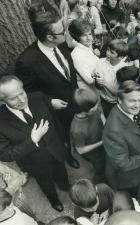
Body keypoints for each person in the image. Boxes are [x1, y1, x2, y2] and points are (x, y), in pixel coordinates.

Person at [15, 10, 80, 169]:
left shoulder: (62, 42)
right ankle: (67, 155)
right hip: (56, 111)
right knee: (62, 135)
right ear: (50, 37)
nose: (66, 33)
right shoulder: (27, 62)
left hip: (74, 100)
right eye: (62, 31)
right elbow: (28, 93)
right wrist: (49, 102)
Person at [0, 76, 70, 212]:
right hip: (35, 163)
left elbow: (55, 121)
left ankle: (64, 185)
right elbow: (5, 155)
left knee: (61, 171)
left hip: (56, 149)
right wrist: (32, 141)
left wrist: (63, 141)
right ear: (2, 100)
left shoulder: (38, 97)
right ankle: (53, 199)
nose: (21, 100)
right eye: (13, 98)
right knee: (45, 182)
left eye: (22, 93)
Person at [102, 80, 140, 197]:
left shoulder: (128, 110)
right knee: (131, 196)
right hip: (127, 179)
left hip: (138, 165)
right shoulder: (114, 130)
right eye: (132, 101)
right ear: (119, 100)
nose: (138, 105)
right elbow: (122, 163)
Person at [70, 88, 106, 183]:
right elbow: (80, 150)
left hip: (103, 142)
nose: (97, 106)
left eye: (96, 104)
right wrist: (102, 142)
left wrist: (106, 127)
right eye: (93, 107)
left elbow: (101, 114)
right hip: (95, 154)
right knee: (100, 168)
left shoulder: (93, 108)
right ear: (82, 110)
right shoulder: (77, 129)